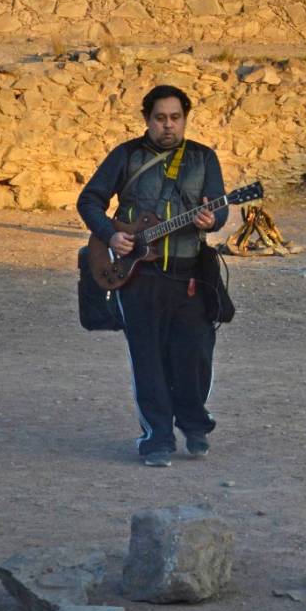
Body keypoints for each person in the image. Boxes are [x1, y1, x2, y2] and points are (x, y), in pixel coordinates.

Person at [78, 85, 229, 466]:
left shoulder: (203, 158)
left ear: (185, 119)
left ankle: (194, 427)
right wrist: (111, 234)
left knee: (195, 353)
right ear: (147, 119)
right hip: (138, 277)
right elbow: (89, 200)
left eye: (175, 118)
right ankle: (157, 439)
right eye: (160, 118)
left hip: (189, 275)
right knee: (148, 358)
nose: (168, 126)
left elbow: (219, 207)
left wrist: (214, 219)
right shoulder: (126, 156)